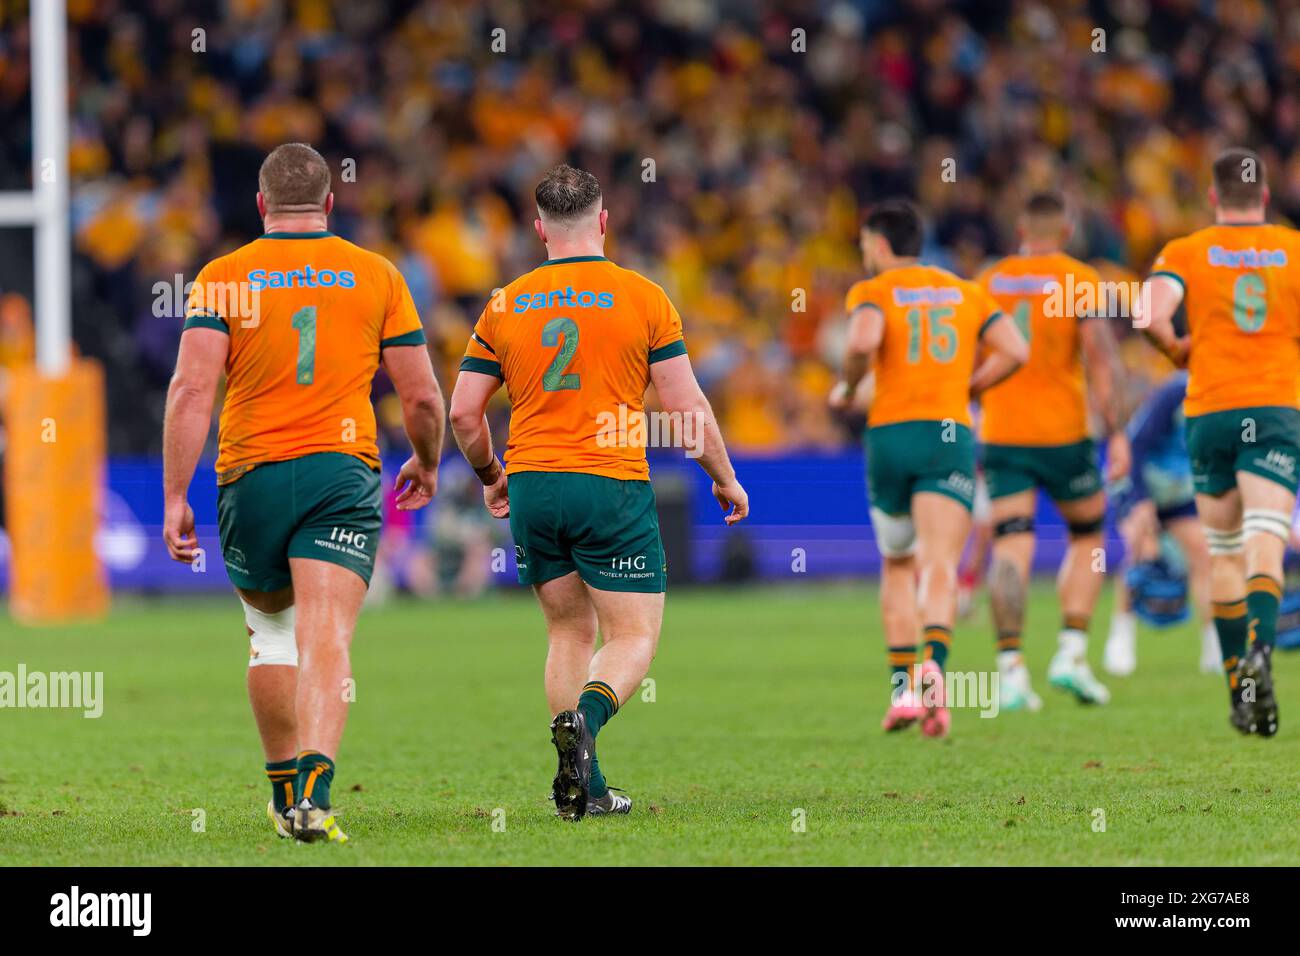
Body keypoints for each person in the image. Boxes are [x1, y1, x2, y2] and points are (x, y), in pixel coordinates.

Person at [162, 143, 444, 842]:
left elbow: (192, 389)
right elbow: (423, 397)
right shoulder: (377, 274)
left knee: (270, 635)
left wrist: (174, 496)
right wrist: (428, 462)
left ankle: (287, 790)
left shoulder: (223, 277)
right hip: (339, 473)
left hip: (250, 473)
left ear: (261, 206)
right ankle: (316, 792)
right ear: (329, 203)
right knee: (327, 635)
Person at [448, 164, 748, 820]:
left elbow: (464, 413)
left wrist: (491, 477)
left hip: (532, 482)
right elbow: (686, 406)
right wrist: (722, 475)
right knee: (634, 634)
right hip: (607, 480)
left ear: (538, 229)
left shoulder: (505, 302)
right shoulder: (642, 296)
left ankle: (589, 783)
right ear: (604, 221)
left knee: (566, 632)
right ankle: (585, 721)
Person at [830, 199, 1028, 737]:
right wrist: (970, 387)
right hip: (948, 435)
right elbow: (1016, 348)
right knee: (941, 562)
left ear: (877, 243)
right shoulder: (965, 291)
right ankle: (934, 669)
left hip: (892, 435)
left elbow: (863, 341)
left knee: (898, 564)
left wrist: (848, 386)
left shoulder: (872, 291)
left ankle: (901, 693)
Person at [1142, 146, 1300, 736]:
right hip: (1275, 408)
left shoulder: (1186, 250)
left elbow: (1147, 313)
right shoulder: (1292, 248)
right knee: (1266, 534)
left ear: (1214, 197)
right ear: (1264, 196)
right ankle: (1263, 646)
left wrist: (1176, 350)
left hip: (1209, 411)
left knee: (1223, 550)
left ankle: (1240, 683)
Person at [976, 192, 1130, 709]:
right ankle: (1071, 651)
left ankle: (1010, 671)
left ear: (1021, 226)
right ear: (1066, 231)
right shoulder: (1080, 279)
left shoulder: (990, 280)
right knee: (1089, 536)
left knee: (1010, 547)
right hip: (1064, 434)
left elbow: (972, 356)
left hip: (1001, 433)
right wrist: (1118, 432)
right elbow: (1101, 360)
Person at [1104, 370, 1219, 675]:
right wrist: (1140, 501)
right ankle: (1120, 640)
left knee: (1204, 557)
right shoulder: (1176, 391)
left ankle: (1213, 646)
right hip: (1138, 480)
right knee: (1141, 554)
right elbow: (1137, 445)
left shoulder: (1224, 393)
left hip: (1179, 491)